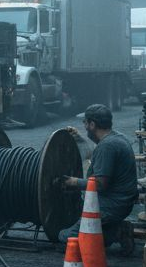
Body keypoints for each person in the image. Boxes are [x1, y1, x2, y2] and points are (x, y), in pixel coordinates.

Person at [58, 104, 137, 255]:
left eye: (86, 123)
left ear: (92, 124)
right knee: (95, 238)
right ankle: (117, 230)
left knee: (64, 238)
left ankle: (115, 231)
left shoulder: (106, 147)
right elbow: (102, 154)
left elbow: (100, 185)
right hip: (123, 203)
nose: (85, 126)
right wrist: (79, 139)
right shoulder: (118, 138)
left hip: (109, 207)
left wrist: (73, 182)